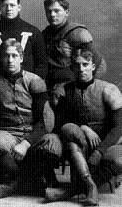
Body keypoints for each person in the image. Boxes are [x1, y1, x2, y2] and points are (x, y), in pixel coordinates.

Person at [0, 38, 62, 198]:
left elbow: (45, 121)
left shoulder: (34, 81)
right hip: (7, 136)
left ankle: (16, 185)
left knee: (54, 144)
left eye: (14, 56)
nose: (10, 60)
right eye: (6, 56)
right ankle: (31, 181)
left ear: (21, 58)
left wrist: (26, 143)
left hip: (33, 135)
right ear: (1, 58)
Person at [45, 47, 122, 206]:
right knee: (70, 136)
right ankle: (90, 185)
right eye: (77, 65)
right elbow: (59, 123)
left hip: (107, 143)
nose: (81, 69)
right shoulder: (65, 89)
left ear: (93, 66)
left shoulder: (108, 89)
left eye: (85, 64)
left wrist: (100, 151)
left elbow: (118, 127)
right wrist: (85, 128)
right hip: (80, 144)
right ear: (72, 67)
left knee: (120, 160)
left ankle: (71, 191)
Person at [42, 0, 106, 91]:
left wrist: (83, 86)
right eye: (49, 11)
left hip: (72, 87)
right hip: (51, 86)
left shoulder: (77, 33)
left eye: (56, 11)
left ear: (66, 12)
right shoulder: (45, 33)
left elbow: (97, 61)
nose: (52, 15)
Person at [0, 0, 47, 79]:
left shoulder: (33, 32)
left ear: (19, 7)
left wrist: (33, 83)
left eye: (12, 5)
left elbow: (42, 63)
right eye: (5, 5)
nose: (8, 9)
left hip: (27, 86)